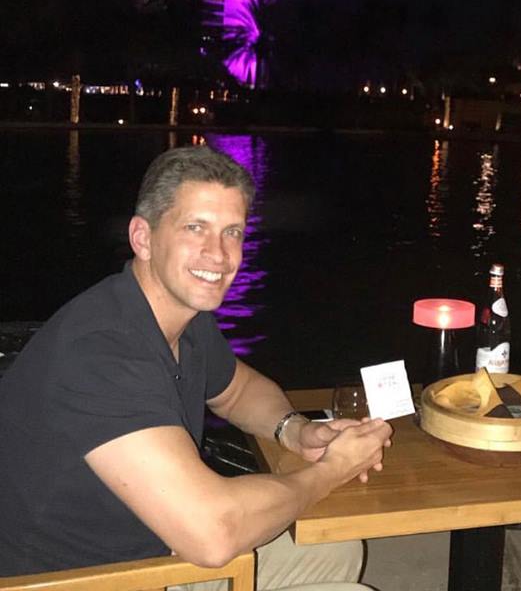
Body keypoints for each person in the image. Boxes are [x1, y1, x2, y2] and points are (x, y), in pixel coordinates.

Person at [0, 145, 393, 587]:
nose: (219, 254)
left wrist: (296, 431)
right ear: (143, 238)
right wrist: (330, 471)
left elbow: (238, 391)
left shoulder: (181, 318)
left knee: (331, 550)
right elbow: (212, 535)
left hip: (152, 550)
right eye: (195, 227)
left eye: (232, 232)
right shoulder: (101, 352)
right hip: (81, 579)